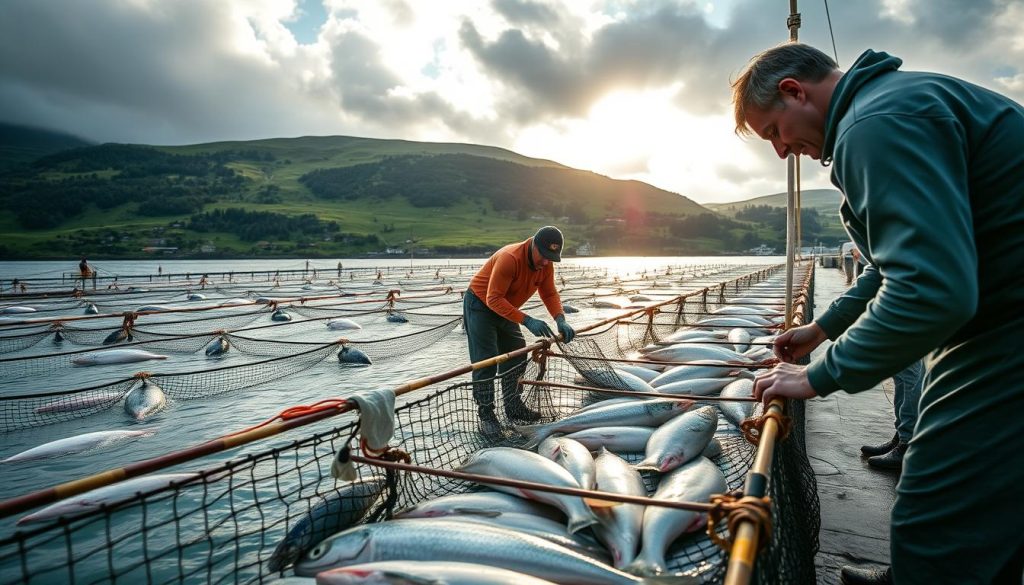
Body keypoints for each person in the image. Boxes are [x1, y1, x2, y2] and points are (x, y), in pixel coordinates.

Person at [732, 42, 1024, 585]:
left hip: (1008, 333)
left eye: (773, 130)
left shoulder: (875, 125)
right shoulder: (893, 104)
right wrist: (821, 328)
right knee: (984, 509)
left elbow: (931, 290)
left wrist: (820, 375)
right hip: (996, 321)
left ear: (795, 91)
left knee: (936, 510)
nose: (780, 150)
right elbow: (888, 266)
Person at [463, 226, 576, 438]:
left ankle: (513, 406)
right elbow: (493, 299)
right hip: (480, 304)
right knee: (486, 361)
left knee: (517, 351)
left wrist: (560, 319)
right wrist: (527, 320)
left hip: (505, 307)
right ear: (534, 245)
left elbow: (549, 293)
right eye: (543, 255)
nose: (545, 261)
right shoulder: (510, 258)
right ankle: (486, 415)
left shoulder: (546, 264)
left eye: (551, 257)